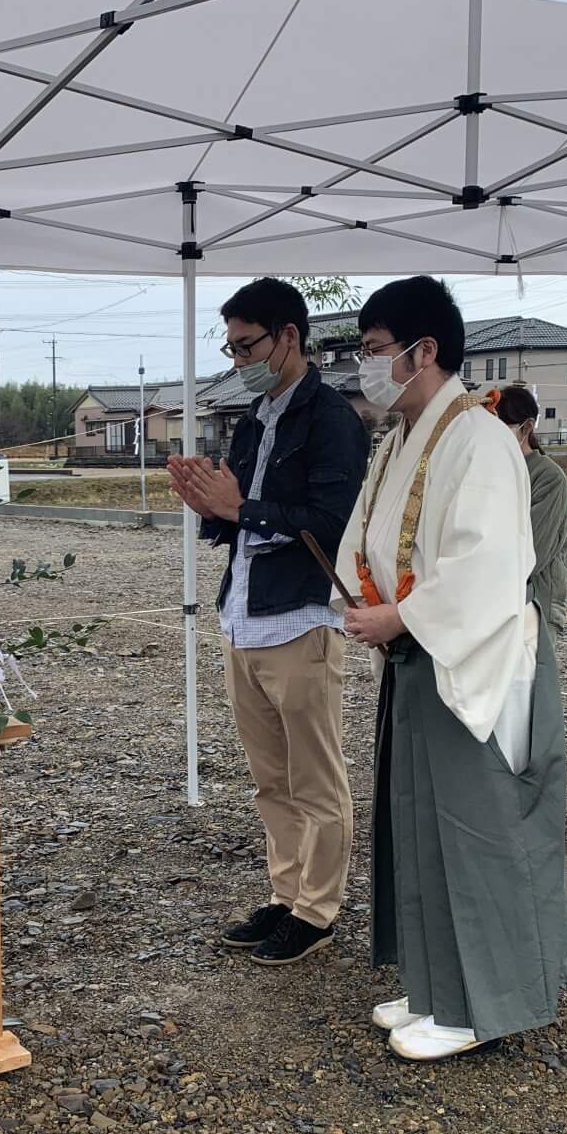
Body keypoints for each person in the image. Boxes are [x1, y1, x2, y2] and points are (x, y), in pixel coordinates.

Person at [337, 277, 567, 1060]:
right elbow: (369, 539)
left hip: (474, 655)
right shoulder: (401, 438)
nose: (366, 366)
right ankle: (436, 984)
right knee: (416, 823)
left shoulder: (478, 440)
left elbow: (488, 565)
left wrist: (399, 614)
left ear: (424, 351)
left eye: (375, 351)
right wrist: (366, 602)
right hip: (419, 653)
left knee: (476, 829)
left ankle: (481, 1006)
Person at [166, 277, 370, 967]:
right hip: (243, 617)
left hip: (302, 621)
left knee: (316, 779)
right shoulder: (255, 418)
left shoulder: (333, 422)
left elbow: (332, 525)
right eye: (230, 348)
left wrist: (242, 508)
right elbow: (238, 517)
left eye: (247, 344)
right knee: (269, 779)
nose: (239, 361)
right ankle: (286, 896)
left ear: (290, 337)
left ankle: (318, 910)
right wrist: (208, 502)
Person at [492, 383, 567, 633]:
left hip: (533, 604)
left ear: (526, 427)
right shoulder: (489, 471)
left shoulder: (548, 477)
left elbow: (531, 552)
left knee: (530, 672)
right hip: (492, 601)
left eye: (498, 427)